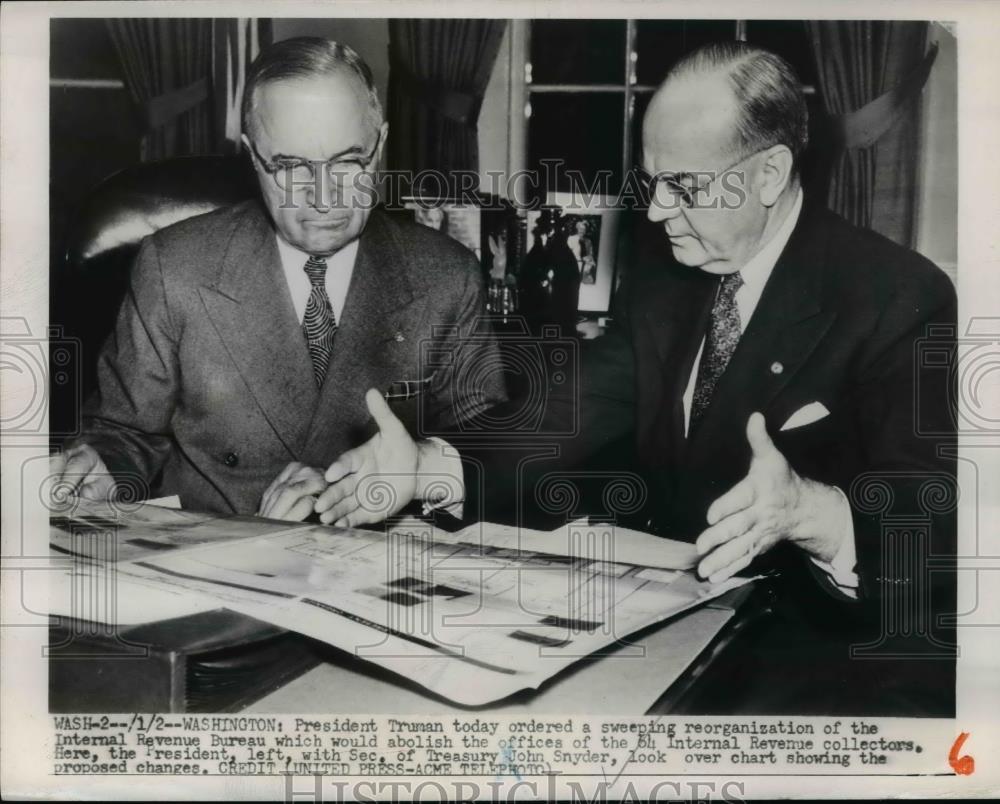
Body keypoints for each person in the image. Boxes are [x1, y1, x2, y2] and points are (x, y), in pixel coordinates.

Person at [313, 41, 956, 715]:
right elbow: (567, 414)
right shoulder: (665, 275)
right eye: (652, 185)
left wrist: (813, 513)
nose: (654, 214)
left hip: (820, 663)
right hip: (673, 630)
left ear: (769, 175)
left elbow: (932, 542)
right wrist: (428, 466)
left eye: (685, 188)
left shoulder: (897, 298)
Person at [50, 37, 506, 519]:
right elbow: (126, 432)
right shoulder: (174, 267)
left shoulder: (447, 277)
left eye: (350, 162)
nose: (325, 197)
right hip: (216, 562)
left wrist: (417, 474)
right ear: (252, 156)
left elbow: (485, 453)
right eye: (291, 168)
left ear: (381, 145)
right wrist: (100, 466)